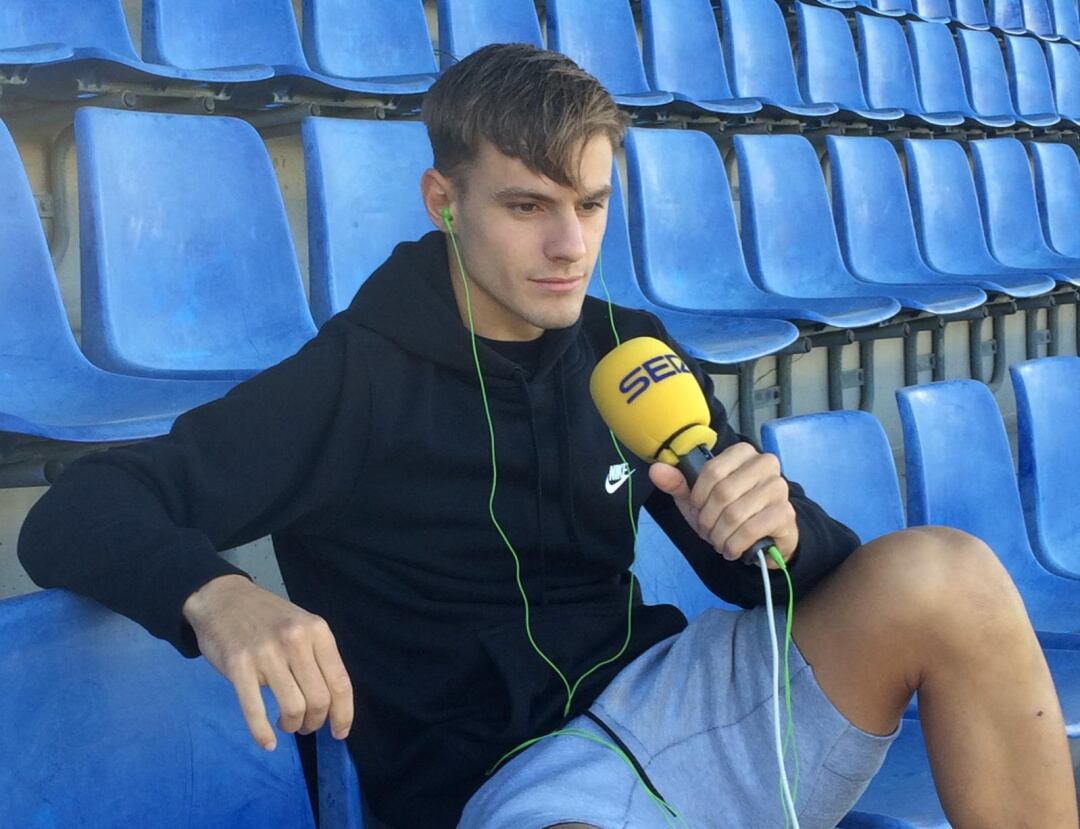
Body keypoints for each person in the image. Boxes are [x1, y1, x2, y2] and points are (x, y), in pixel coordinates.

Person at [18, 43, 1077, 829]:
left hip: (674, 696)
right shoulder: (352, 379)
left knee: (949, 571)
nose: (569, 246)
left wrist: (789, 530)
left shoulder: (629, 350)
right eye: (528, 206)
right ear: (445, 200)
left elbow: (754, 578)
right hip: (513, 783)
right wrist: (222, 596)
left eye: (591, 204)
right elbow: (82, 506)